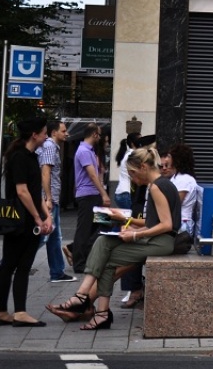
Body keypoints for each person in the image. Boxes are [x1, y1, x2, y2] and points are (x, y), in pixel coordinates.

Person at [47, 146, 179, 331]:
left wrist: (134, 234)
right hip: (158, 239)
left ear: (143, 167)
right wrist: (125, 219)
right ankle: (95, 309)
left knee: (106, 253)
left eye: (132, 173)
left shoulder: (157, 187)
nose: (132, 179)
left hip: (161, 242)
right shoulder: (160, 184)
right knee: (104, 244)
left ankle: (85, 300)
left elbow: (166, 225)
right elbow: (153, 222)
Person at [0, 117, 52, 327]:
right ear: (34, 134)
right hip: (22, 220)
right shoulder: (21, 157)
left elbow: (34, 192)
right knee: (19, 266)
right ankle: (18, 312)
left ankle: (3, 312)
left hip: (22, 219)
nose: (46, 136)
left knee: (10, 265)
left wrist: (46, 215)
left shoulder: (28, 156)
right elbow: (22, 191)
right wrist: (38, 217)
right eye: (44, 132)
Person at [69, 123, 111, 274]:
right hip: (88, 196)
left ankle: (84, 256)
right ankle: (79, 263)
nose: (100, 138)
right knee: (85, 230)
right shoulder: (84, 151)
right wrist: (104, 194)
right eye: (99, 135)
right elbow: (92, 175)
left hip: (93, 195)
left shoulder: (90, 151)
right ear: (94, 134)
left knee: (102, 225)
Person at [38, 119, 74, 283]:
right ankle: (8, 262)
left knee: (53, 236)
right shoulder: (50, 147)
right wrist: (48, 198)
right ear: (54, 132)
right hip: (50, 199)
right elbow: (45, 173)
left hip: (52, 197)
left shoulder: (51, 146)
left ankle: (57, 272)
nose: (66, 133)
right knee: (43, 235)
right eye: (63, 130)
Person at [166, 143, 202, 235]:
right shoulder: (176, 177)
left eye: (169, 157)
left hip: (181, 224)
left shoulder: (184, 179)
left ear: (177, 159)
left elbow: (175, 203)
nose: (166, 160)